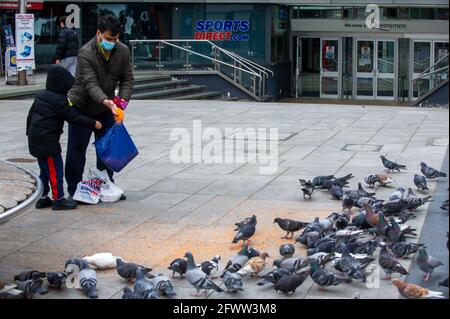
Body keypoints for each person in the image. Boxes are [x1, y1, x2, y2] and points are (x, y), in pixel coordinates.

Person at [65, 14, 134, 199]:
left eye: (116, 38)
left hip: (107, 108)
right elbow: (90, 84)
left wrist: (122, 102)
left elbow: (127, 79)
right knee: (76, 149)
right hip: (82, 106)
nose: (112, 42)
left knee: (107, 149)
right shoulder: (85, 52)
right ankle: (74, 189)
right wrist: (108, 102)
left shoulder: (123, 51)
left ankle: (106, 184)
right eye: (109, 39)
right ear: (99, 33)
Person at [26, 65, 102, 210]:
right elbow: (73, 118)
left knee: (45, 170)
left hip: (36, 139)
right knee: (56, 171)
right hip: (48, 143)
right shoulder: (59, 101)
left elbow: (30, 116)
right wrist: (94, 123)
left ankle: (42, 197)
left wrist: (29, 133)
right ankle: (59, 199)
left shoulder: (41, 95)